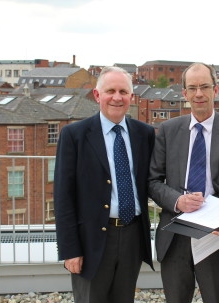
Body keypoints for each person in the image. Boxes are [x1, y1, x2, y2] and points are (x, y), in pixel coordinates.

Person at [148, 62, 219, 303]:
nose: (199, 94)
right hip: (176, 234)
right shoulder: (168, 130)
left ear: (216, 90)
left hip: (217, 234)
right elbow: (153, 181)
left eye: (204, 87)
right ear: (184, 93)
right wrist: (178, 201)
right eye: (192, 88)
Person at [54, 66, 155, 303]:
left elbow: (155, 180)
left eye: (123, 91)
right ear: (97, 95)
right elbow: (63, 196)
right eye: (110, 91)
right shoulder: (74, 135)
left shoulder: (145, 134)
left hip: (132, 236)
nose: (117, 97)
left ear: (132, 97)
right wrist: (70, 250)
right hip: (91, 239)